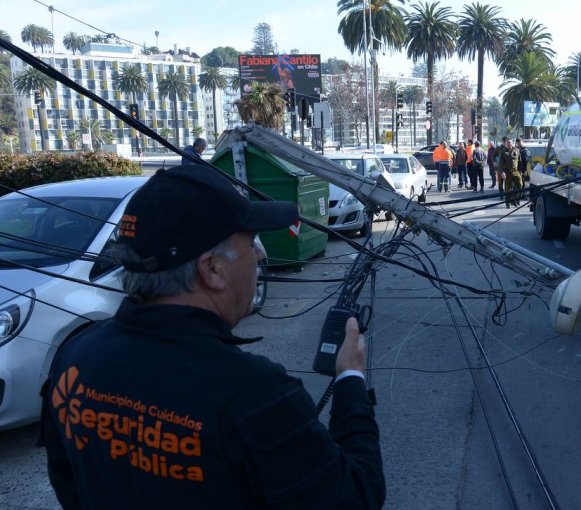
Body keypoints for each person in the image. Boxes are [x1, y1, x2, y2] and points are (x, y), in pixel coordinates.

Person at [39, 165, 385, 509]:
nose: (261, 255)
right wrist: (350, 380)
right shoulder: (254, 393)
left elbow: (69, 483)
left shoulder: (75, 355)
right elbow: (354, 498)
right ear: (214, 270)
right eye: (251, 243)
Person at [497, 137, 522, 208]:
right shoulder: (503, 152)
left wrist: (521, 171)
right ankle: (507, 203)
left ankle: (513, 199)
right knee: (508, 189)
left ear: (512, 143)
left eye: (510, 143)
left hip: (516, 171)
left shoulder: (516, 150)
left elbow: (520, 161)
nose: (509, 144)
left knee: (520, 185)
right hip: (507, 172)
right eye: (507, 143)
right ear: (505, 144)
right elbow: (500, 164)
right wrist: (502, 173)